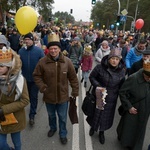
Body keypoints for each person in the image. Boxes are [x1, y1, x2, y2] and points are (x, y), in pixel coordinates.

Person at [33, 37, 79, 145]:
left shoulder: (67, 61)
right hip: (49, 96)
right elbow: (36, 76)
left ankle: (63, 134)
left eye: (55, 48)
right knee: (51, 115)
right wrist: (42, 87)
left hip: (63, 97)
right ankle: (53, 128)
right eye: (51, 49)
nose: (53, 51)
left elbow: (73, 78)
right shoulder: (42, 62)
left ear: (59, 49)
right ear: (48, 50)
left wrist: (75, 91)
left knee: (62, 117)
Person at [88, 48, 125, 144]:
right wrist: (98, 86)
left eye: (117, 59)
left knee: (105, 117)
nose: (114, 61)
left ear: (119, 60)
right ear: (109, 59)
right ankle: (93, 127)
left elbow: (122, 86)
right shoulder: (100, 67)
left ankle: (101, 133)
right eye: (113, 58)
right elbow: (91, 77)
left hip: (111, 98)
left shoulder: (122, 71)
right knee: (96, 114)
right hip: (99, 94)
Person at [0, 35, 29, 150]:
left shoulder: (19, 80)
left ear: (9, 67)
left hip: (15, 118)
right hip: (1, 119)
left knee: (17, 144)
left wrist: (4, 110)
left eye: (2, 66)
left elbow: (25, 100)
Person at [117, 56, 150, 150]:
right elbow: (122, 92)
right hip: (133, 108)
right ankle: (125, 142)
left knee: (140, 129)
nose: (149, 79)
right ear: (143, 72)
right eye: (147, 77)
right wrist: (129, 107)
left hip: (145, 110)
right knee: (129, 128)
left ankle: (136, 146)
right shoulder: (133, 78)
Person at [18, 32, 45, 126]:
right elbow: (18, 64)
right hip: (24, 79)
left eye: (28, 40)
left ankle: (32, 116)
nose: (27, 42)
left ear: (32, 41)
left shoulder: (39, 51)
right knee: (26, 97)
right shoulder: (21, 51)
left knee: (34, 97)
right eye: (25, 40)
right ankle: (20, 115)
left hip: (35, 79)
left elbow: (43, 64)